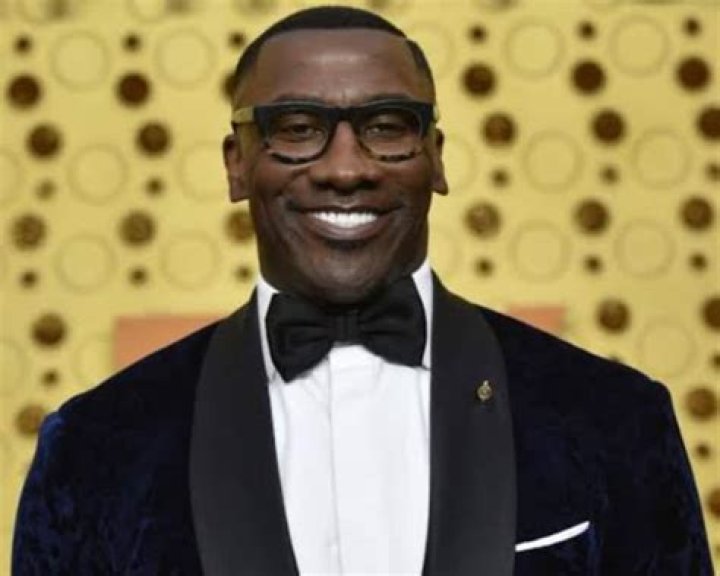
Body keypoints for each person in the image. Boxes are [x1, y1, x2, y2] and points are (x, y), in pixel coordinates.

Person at [12, 6, 712, 575]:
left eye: (386, 127)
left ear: (436, 156)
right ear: (237, 165)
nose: (346, 170)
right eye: (297, 129)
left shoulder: (615, 422)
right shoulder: (93, 449)